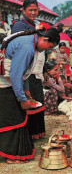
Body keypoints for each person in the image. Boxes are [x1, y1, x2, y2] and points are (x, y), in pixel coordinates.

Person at [0, 26, 60, 163]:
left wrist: (26, 90)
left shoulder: (30, 42)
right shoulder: (27, 47)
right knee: (14, 119)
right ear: (44, 39)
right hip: (4, 84)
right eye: (48, 47)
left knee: (17, 118)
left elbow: (25, 71)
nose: (47, 50)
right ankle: (11, 155)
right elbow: (16, 75)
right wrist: (22, 99)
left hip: (8, 83)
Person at [11, 0, 46, 140]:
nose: (33, 12)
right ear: (23, 10)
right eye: (30, 10)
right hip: (24, 67)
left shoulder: (37, 25)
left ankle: (37, 132)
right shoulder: (19, 27)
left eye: (35, 10)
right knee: (28, 100)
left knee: (37, 98)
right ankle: (29, 134)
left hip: (37, 68)